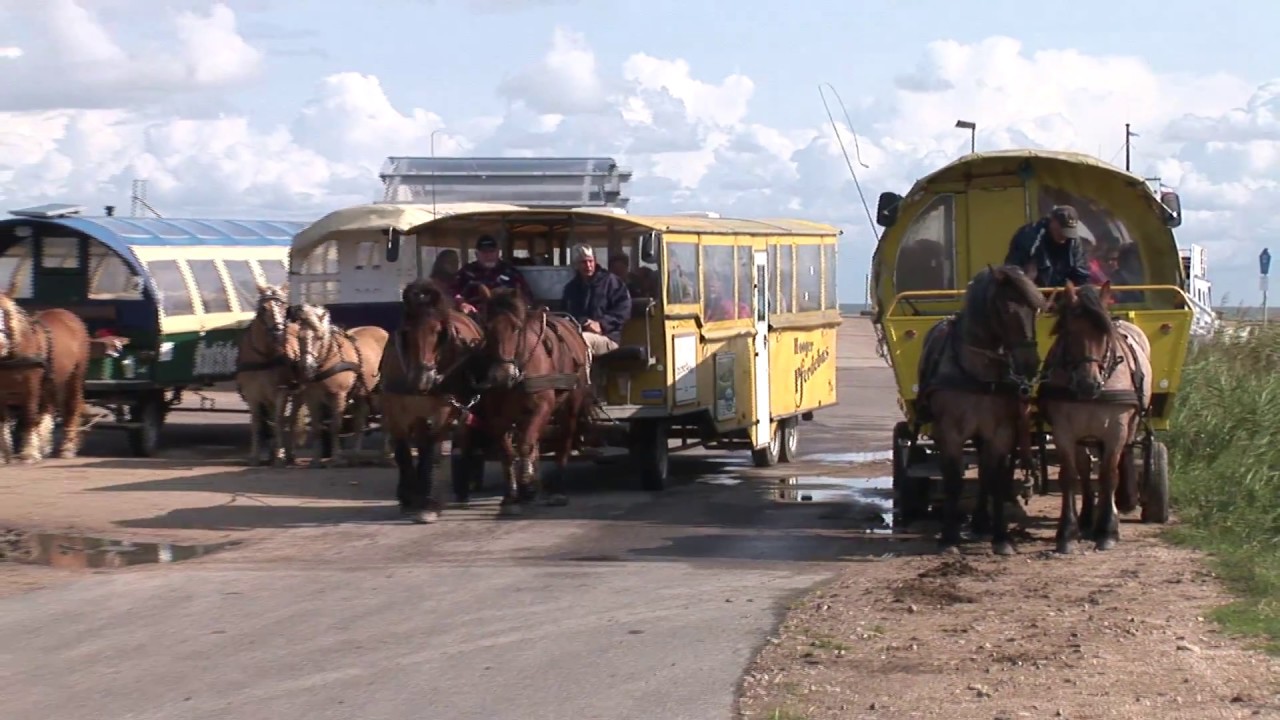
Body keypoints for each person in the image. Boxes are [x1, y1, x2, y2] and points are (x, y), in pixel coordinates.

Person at [562, 243, 631, 392]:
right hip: (577, 331)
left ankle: (584, 388)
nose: (588, 265)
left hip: (609, 337)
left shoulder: (611, 282)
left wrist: (602, 324)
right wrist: (583, 322)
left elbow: (623, 310)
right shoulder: (571, 288)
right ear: (576, 265)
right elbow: (566, 312)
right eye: (583, 262)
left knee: (582, 341)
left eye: (590, 261)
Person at [1003, 205, 1091, 287]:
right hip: (1031, 290)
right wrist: (1026, 282)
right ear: (1053, 221)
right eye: (1063, 229)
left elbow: (1081, 273)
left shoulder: (1073, 240)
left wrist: (1072, 284)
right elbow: (1013, 267)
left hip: (1061, 293)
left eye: (1069, 231)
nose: (1065, 236)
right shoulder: (1029, 235)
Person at [451, 234, 532, 313]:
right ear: (476, 254)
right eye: (484, 252)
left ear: (498, 253)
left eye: (491, 251)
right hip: (475, 315)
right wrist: (462, 303)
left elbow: (526, 295)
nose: (488, 256)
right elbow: (453, 292)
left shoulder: (511, 272)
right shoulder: (466, 272)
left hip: (506, 315)